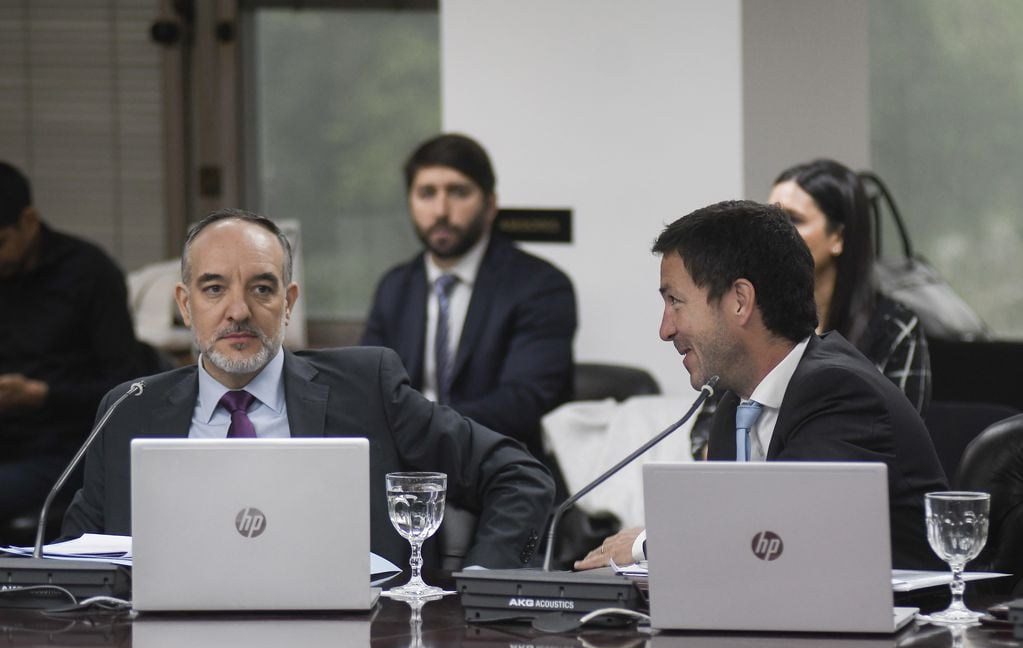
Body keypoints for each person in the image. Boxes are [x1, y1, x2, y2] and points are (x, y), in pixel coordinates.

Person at [61, 208, 555, 571]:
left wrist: (484, 583)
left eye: (261, 288)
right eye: (214, 289)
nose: (238, 311)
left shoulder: (368, 389)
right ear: (185, 306)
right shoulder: (127, 410)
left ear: (289, 301)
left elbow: (517, 475)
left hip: (351, 645)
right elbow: (80, 564)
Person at [576, 200, 947, 571]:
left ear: (740, 301)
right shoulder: (733, 409)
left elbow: (777, 537)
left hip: (915, 624)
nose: (665, 329)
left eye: (675, 301)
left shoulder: (839, 391)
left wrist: (649, 544)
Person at [690, 159, 931, 457]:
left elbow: (893, 440)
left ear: (838, 237)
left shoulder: (895, 327)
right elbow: (703, 435)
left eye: (793, 219)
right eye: (770, 220)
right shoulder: (748, 316)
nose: (773, 234)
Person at [361, 133, 576, 459]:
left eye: (458, 192)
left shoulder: (541, 285)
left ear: (490, 205)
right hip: (405, 466)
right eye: (426, 193)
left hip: (499, 466)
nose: (442, 210)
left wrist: (425, 425)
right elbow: (369, 387)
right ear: (410, 202)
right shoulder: (395, 287)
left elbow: (525, 399)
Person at [0, 161, 139, 528]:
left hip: (64, 448)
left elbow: (126, 388)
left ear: (28, 222)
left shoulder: (88, 274)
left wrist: (41, 394)